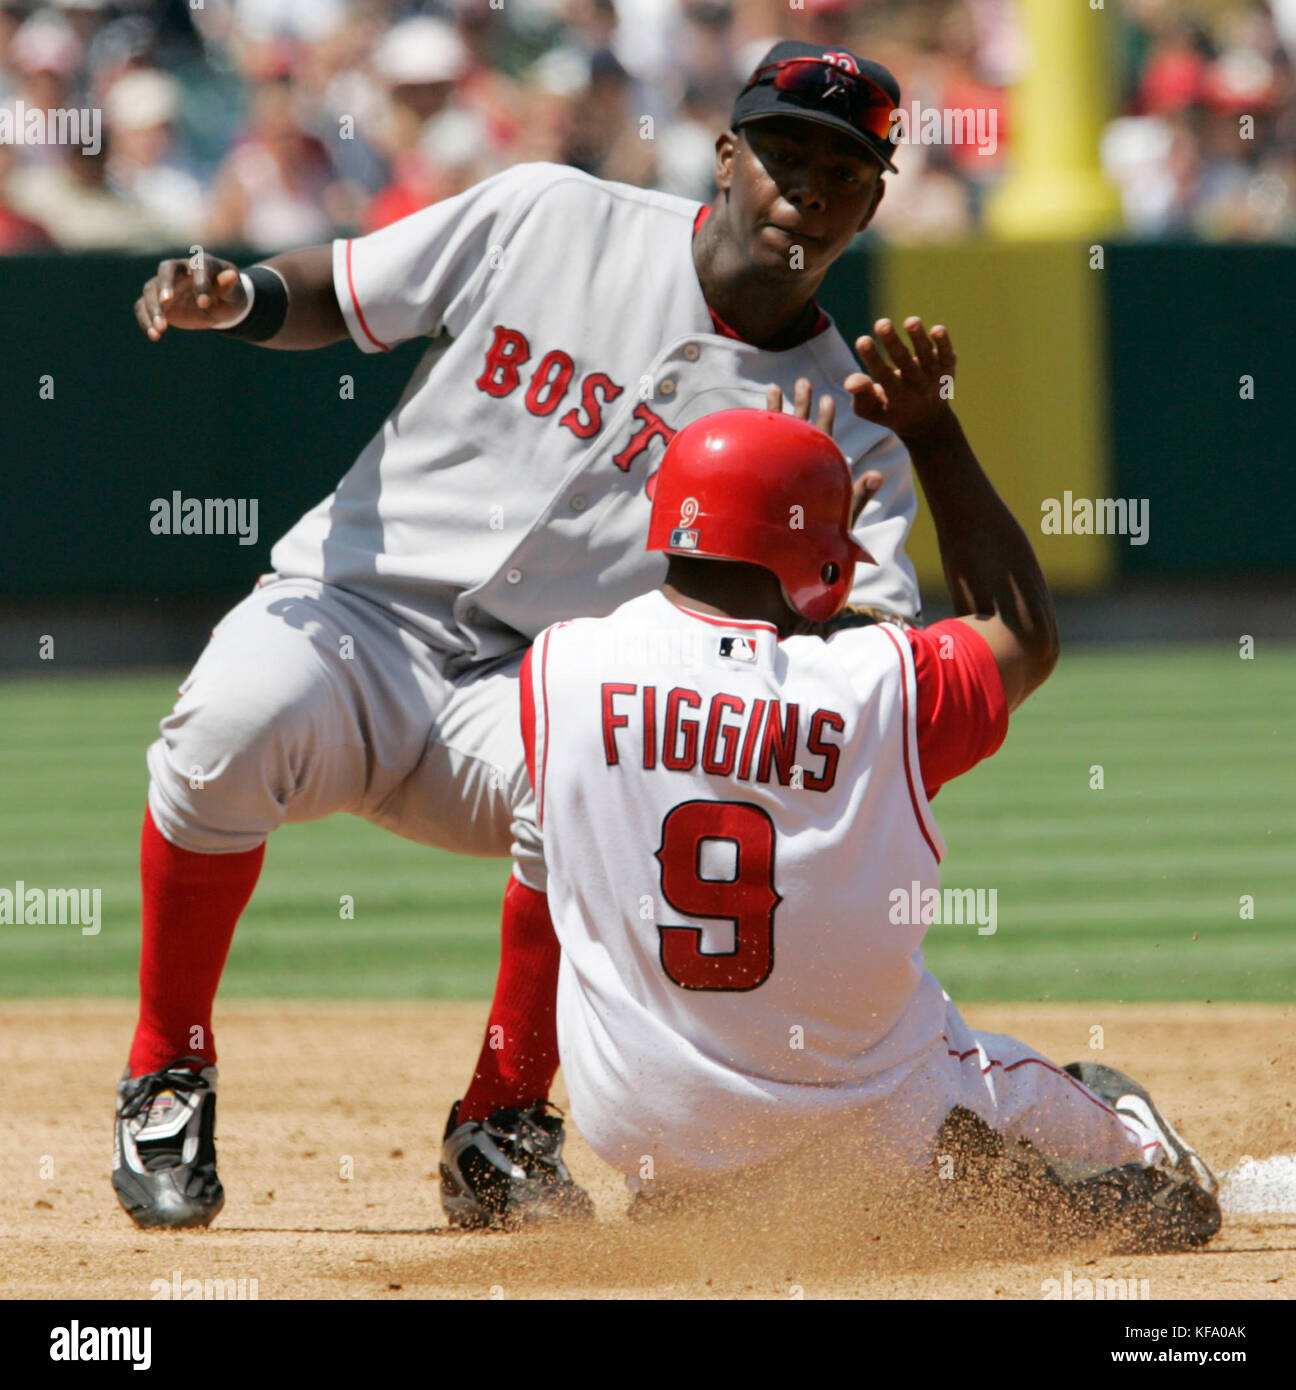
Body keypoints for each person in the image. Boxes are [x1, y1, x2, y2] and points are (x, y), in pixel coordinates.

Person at [115, 38, 924, 1232]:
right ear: (725, 153)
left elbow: (863, 667)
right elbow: (341, 292)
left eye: (843, 171)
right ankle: (167, 1068)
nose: (804, 185)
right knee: (228, 723)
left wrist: (797, 552)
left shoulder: (848, 432)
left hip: (535, 697)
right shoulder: (555, 212)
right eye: (784, 150)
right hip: (357, 614)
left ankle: (499, 1120)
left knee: (607, 773)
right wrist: (238, 299)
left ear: (868, 204)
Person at [519, 360, 1222, 1251]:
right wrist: (933, 433)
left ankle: (724, 1202)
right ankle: (1128, 1154)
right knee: (1084, 1094)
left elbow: (712, 679)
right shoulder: (878, 683)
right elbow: (1022, 636)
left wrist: (777, 493)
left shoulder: (557, 667)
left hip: (649, 1129)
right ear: (816, 557)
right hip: (875, 1123)